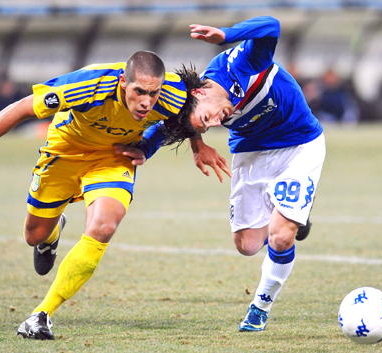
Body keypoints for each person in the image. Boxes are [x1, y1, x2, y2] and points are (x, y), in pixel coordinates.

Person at [0, 51, 210, 340]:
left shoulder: (175, 92)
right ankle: (50, 236)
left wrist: (189, 147)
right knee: (34, 235)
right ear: (123, 82)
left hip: (113, 157)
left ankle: (41, 315)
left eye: (153, 93)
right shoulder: (88, 85)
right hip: (64, 151)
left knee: (104, 226)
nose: (147, 101)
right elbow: (20, 109)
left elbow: (184, 119)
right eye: (139, 92)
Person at [117, 16, 325, 332]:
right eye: (207, 126)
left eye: (207, 119)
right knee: (247, 245)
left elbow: (272, 26)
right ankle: (293, 213)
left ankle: (260, 309)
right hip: (250, 151)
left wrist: (228, 34)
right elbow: (169, 123)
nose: (215, 123)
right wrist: (156, 149)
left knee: (281, 238)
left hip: (298, 145)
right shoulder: (191, 101)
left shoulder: (238, 66)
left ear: (201, 94)